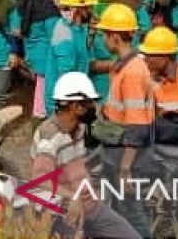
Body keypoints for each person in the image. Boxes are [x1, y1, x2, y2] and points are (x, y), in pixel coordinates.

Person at [29, 72, 139, 239]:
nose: (93, 107)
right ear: (75, 107)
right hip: (62, 213)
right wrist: (71, 196)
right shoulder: (50, 136)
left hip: (90, 206)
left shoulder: (80, 129)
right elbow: (40, 180)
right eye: (89, 103)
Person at [95, 3, 153, 238]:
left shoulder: (133, 71)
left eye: (104, 34)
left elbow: (137, 126)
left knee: (130, 210)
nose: (102, 40)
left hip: (127, 154)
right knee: (121, 208)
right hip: (117, 148)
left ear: (115, 37)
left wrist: (125, 168)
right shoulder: (125, 64)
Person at [14, 0, 60, 118]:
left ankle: (40, 112)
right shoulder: (48, 6)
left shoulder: (23, 3)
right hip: (47, 56)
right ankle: (44, 115)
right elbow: (55, 35)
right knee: (46, 88)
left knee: (41, 84)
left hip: (32, 54)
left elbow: (15, 30)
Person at [44, 0, 94, 116]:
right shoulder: (65, 36)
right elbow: (65, 78)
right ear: (78, 9)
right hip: (64, 105)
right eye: (89, 7)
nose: (92, 10)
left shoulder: (78, 28)